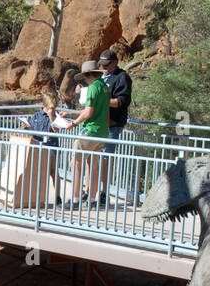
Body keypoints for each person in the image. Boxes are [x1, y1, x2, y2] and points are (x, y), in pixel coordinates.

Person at [56, 59, 109, 208]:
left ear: (87, 75)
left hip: (90, 130)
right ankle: (91, 199)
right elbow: (91, 111)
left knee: (76, 163)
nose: (85, 80)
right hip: (102, 131)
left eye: (85, 77)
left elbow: (89, 112)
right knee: (93, 164)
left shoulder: (92, 88)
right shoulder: (104, 87)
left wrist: (73, 123)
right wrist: (72, 115)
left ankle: (76, 199)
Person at [96, 49, 132, 200]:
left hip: (112, 125)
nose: (103, 67)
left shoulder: (122, 77)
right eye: (102, 64)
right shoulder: (99, 77)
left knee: (106, 159)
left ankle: (104, 192)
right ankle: (89, 190)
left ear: (115, 63)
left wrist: (101, 101)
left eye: (107, 64)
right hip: (97, 124)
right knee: (92, 158)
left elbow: (122, 102)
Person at [22, 90, 62, 201]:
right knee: (38, 173)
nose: (51, 110)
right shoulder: (36, 115)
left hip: (51, 148)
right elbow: (34, 130)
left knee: (53, 172)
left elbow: (55, 129)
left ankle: (58, 196)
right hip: (38, 147)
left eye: (53, 108)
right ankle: (37, 196)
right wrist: (27, 127)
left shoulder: (56, 116)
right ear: (44, 105)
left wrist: (51, 117)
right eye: (49, 107)